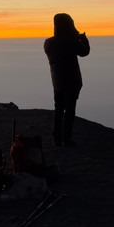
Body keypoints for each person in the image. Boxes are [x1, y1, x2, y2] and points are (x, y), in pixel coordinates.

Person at [43, 13, 90, 147]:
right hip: (71, 82)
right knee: (69, 111)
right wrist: (84, 40)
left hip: (57, 82)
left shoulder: (48, 43)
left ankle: (56, 139)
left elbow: (61, 46)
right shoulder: (70, 42)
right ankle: (67, 139)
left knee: (58, 110)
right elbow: (84, 52)